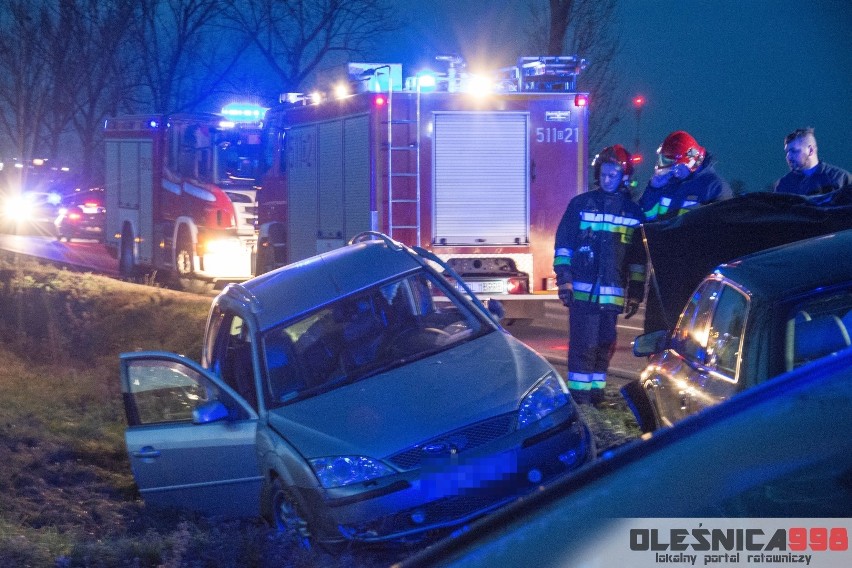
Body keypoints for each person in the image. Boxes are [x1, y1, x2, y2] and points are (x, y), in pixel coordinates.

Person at [553, 145, 647, 406]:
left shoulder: (633, 214)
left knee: (604, 347)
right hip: (582, 294)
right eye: (604, 174)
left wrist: (636, 294)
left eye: (612, 175)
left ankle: (596, 395)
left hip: (613, 297)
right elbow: (563, 246)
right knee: (583, 347)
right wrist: (565, 280)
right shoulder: (581, 205)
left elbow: (638, 260)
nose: (607, 180)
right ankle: (579, 400)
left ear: (623, 176)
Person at [638, 130, 732, 221]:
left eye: (670, 162)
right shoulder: (668, 184)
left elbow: (721, 229)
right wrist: (653, 189)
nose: (667, 169)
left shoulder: (714, 188)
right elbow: (646, 217)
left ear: (689, 163)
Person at [773, 127, 851, 196]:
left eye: (794, 151)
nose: (788, 156)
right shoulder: (784, 184)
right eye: (787, 152)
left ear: (810, 150)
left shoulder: (841, 178)